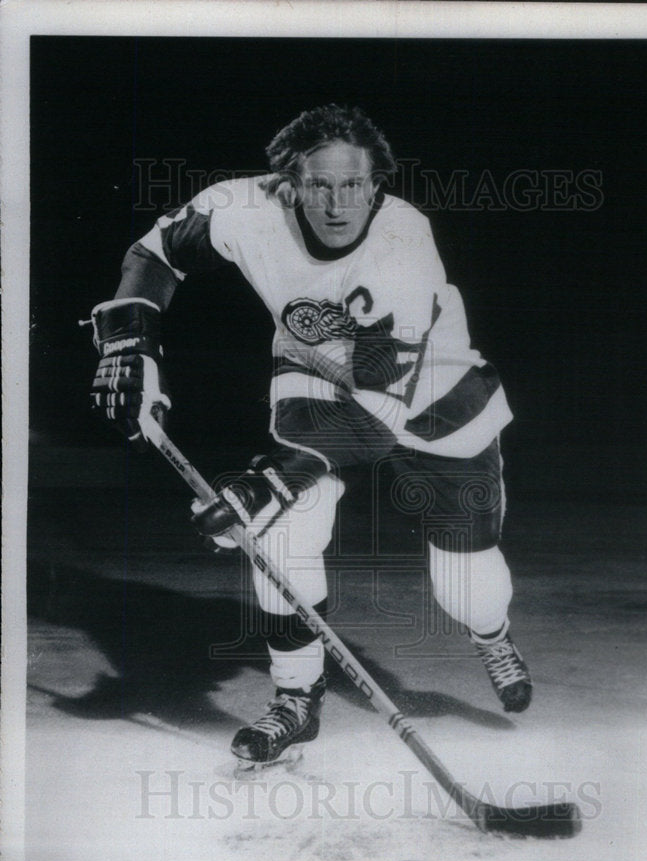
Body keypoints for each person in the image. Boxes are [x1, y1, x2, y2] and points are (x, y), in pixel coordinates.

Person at [90, 104, 532, 768]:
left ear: (376, 185)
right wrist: (131, 344)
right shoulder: (242, 209)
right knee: (279, 535)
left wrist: (260, 484)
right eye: (318, 185)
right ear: (287, 184)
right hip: (317, 371)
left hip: (434, 396)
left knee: (467, 588)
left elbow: (375, 421)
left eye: (352, 185)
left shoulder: (404, 245)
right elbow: (153, 255)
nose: (336, 203)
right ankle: (296, 697)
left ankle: (490, 632)